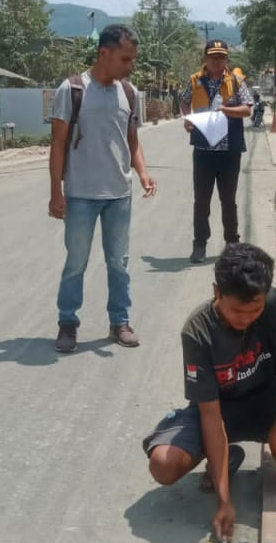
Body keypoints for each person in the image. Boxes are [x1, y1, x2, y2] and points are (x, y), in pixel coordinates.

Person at [143, 242, 276, 541]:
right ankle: (223, 455)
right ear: (217, 292)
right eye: (237, 310)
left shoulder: (274, 304)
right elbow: (210, 414)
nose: (246, 318)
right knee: (163, 465)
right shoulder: (198, 331)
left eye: (255, 309)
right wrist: (224, 499)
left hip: (268, 403)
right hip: (220, 412)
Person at [48, 24, 158, 354]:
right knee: (76, 263)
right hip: (80, 194)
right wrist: (56, 192)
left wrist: (142, 172)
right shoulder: (72, 90)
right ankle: (68, 324)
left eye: (132, 59)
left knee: (119, 262)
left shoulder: (129, 92)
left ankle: (119, 322)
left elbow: (132, 140)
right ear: (103, 54)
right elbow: (57, 144)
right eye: (125, 59)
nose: (130, 65)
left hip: (118, 195)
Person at [179, 39, 253, 263]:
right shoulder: (195, 80)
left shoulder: (237, 81)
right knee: (201, 200)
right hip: (203, 150)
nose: (216, 60)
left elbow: (247, 109)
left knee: (228, 200)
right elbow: (184, 101)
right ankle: (199, 244)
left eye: (221, 56)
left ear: (226, 59)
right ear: (205, 59)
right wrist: (187, 118)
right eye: (213, 56)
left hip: (229, 151)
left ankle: (232, 244)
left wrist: (227, 110)